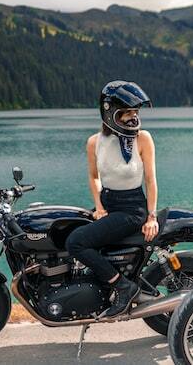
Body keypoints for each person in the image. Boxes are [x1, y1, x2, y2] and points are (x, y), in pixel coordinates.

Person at [66, 80, 159, 318]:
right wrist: (98, 206)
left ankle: (123, 287)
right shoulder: (94, 142)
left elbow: (150, 180)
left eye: (135, 112)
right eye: (126, 112)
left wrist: (151, 216)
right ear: (109, 112)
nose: (132, 117)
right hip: (107, 204)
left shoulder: (143, 138)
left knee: (75, 242)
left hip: (131, 209)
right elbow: (94, 177)